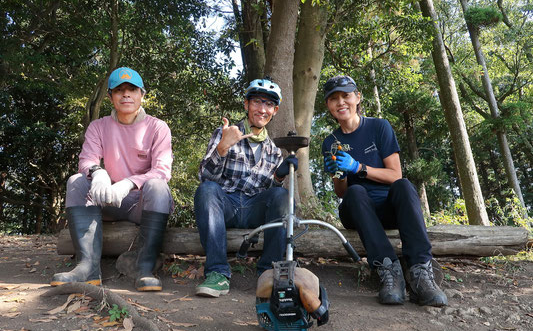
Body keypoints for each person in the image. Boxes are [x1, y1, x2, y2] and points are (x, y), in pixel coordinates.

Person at [321, 75, 447, 307]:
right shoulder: (330, 141)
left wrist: (358, 167)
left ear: (357, 98)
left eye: (346, 96)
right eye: (334, 98)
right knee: (356, 191)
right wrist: (337, 174)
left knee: (404, 185)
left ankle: (421, 274)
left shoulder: (379, 127)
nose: (341, 102)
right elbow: (341, 192)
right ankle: (389, 272)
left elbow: (394, 174)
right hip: (357, 210)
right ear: (328, 105)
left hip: (388, 208)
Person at [50, 67, 173, 292]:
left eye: (132, 89)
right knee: (76, 180)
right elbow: (86, 159)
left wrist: (128, 183)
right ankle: (87, 267)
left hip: (140, 202)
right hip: (107, 199)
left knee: (158, 186)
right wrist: (98, 173)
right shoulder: (98, 126)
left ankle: (144, 268)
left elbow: (163, 170)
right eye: (119, 90)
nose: (126, 94)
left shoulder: (157, 127)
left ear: (142, 94)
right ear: (110, 97)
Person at [194, 77, 297, 298]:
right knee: (206, 191)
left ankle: (268, 273)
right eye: (257, 102)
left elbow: (270, 195)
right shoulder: (226, 132)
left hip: (253, 209)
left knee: (283, 196)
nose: (262, 109)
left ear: (275, 110)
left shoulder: (273, 150)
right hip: (226, 205)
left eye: (268, 104)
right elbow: (206, 177)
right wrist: (223, 146)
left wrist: (279, 176)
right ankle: (217, 273)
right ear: (246, 104)